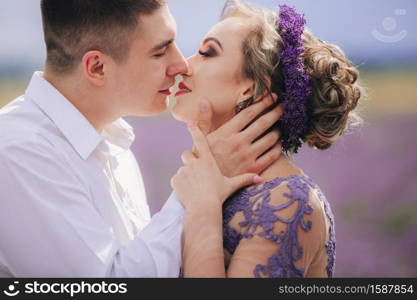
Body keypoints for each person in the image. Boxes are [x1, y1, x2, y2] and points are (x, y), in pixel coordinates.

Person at [0, 0, 284, 277]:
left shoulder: (117, 148)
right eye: (160, 52)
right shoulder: (17, 153)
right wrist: (200, 187)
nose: (180, 64)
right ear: (97, 67)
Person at [171, 0, 364, 277]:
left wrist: (203, 207)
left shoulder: (290, 202)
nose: (183, 65)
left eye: (207, 52)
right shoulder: (204, 178)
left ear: (251, 89)